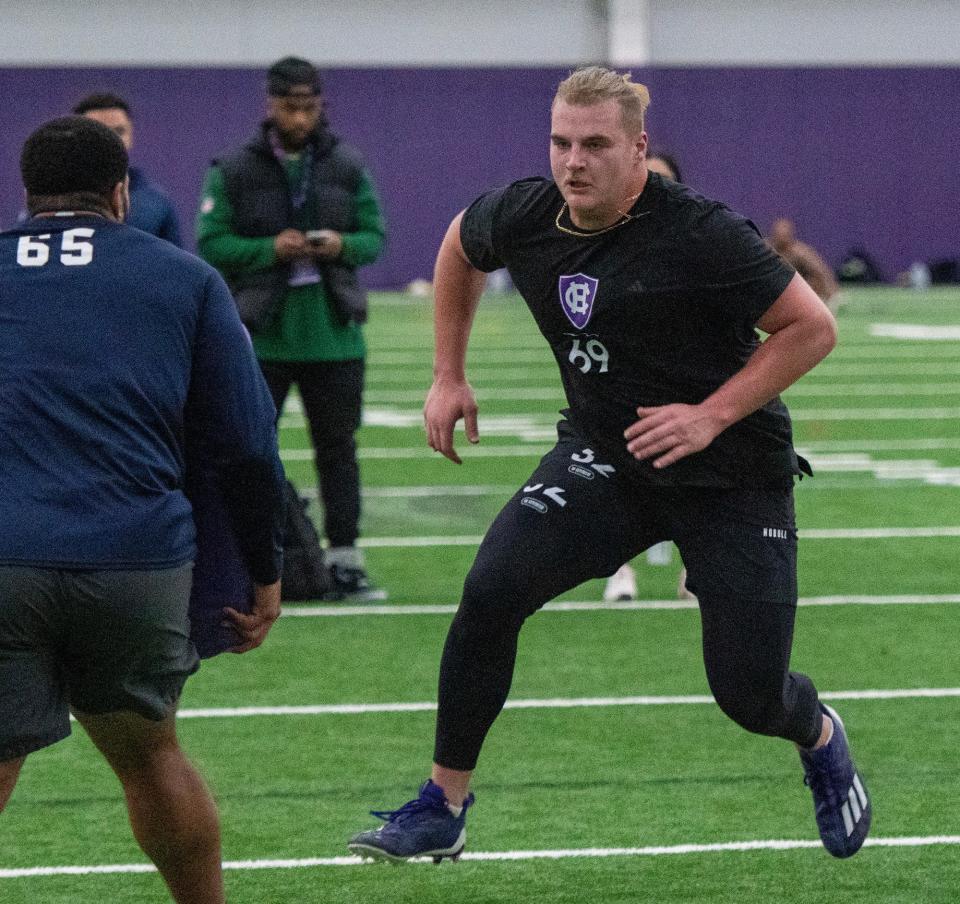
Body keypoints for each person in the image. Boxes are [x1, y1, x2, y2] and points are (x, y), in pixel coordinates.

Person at [348, 67, 871, 863]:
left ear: (638, 149)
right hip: (610, 457)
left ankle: (821, 734)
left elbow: (812, 328)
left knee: (750, 693)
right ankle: (443, 806)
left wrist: (708, 415)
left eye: (595, 144)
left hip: (730, 475)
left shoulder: (700, 231)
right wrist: (447, 373)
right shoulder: (526, 212)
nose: (573, 161)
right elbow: (461, 241)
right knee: (491, 591)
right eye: (561, 142)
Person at [0, 116, 285, 904]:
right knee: (151, 756)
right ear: (121, 193)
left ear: (27, 197)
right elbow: (247, 445)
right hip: (134, 560)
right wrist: (265, 571)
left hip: (2, 557)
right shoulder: (186, 277)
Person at [197, 56, 386, 600]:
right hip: (261, 335)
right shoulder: (232, 167)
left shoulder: (348, 165)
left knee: (338, 452)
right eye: (289, 107)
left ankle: (345, 561)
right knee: (251, 452)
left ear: (321, 105)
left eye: (308, 107)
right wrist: (268, 250)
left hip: (335, 334)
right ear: (270, 104)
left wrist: (341, 245)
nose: (300, 118)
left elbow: (375, 237)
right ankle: (249, 564)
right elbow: (211, 243)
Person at [603, 148, 692, 603]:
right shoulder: (603, 241)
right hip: (620, 379)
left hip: (683, 379)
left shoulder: (701, 240)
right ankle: (619, 569)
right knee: (616, 470)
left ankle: (694, 569)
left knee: (696, 471)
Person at [73, 92, 182, 245]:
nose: (111, 140)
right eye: (98, 131)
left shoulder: (157, 202)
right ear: (76, 138)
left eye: (119, 131)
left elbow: (177, 263)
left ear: (130, 135)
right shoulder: (54, 199)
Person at [769, 217, 841, 312]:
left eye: (784, 235)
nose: (781, 237)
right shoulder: (765, 250)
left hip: (797, 291)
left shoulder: (800, 252)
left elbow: (820, 272)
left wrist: (831, 292)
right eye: (779, 234)